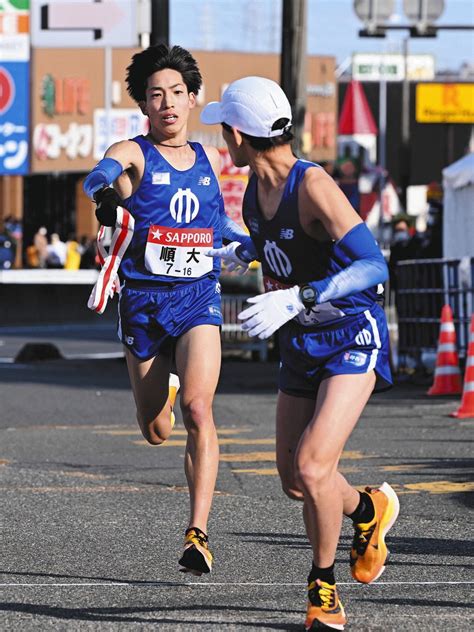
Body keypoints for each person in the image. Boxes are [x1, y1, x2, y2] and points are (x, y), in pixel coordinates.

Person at [201, 76, 399, 631]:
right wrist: (245, 250)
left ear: (238, 135)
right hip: (302, 340)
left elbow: (373, 265)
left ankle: (323, 588)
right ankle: (368, 510)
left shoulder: (311, 184)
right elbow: (282, 249)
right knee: (294, 479)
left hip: (349, 333)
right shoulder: (253, 194)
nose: (222, 141)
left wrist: (302, 294)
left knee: (314, 466)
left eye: (224, 130)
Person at [83, 45, 254, 576]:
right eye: (156, 95)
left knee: (201, 411)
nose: (168, 104)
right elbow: (97, 177)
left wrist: (248, 243)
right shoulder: (133, 152)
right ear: (144, 105)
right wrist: (107, 198)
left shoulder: (207, 160)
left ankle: (198, 534)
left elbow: (215, 226)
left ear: (193, 98)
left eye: (177, 93)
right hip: (143, 305)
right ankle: (167, 390)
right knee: (156, 429)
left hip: (197, 298)